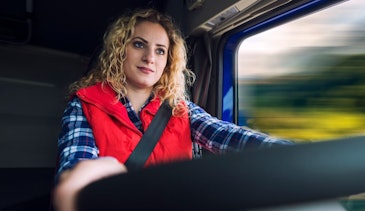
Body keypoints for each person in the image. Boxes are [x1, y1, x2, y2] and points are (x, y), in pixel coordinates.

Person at [52, 8, 293, 211]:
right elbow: (75, 163)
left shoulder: (179, 108)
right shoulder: (85, 104)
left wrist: (289, 153)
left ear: (168, 60)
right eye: (139, 44)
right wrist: (83, 179)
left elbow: (227, 135)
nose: (150, 58)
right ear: (119, 50)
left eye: (160, 50)